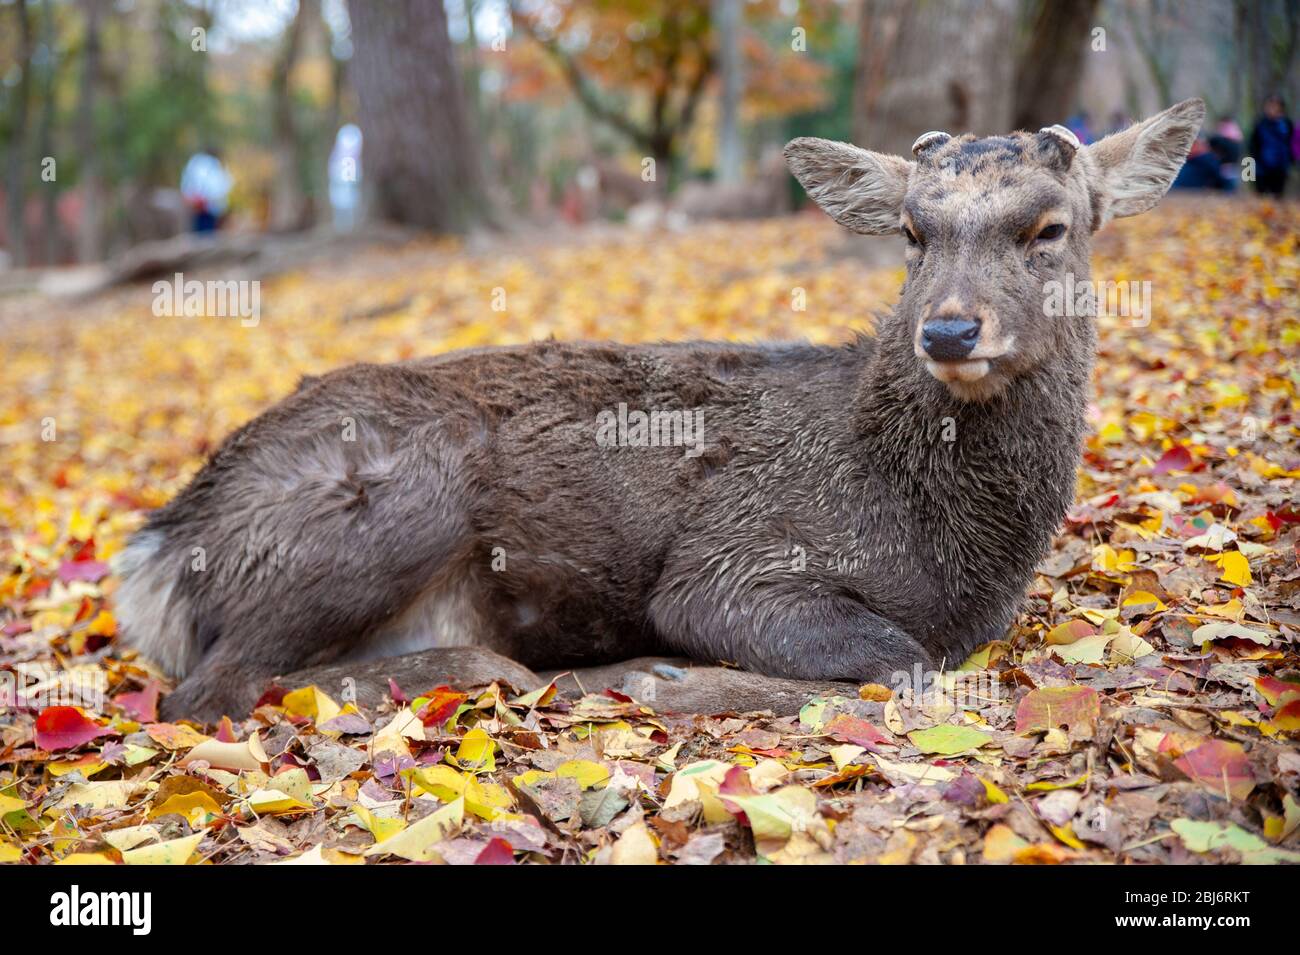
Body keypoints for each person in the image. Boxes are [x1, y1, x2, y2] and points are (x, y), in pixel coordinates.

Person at [1248, 95, 1294, 196]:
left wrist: (1291, 159)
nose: (1272, 109)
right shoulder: (1260, 124)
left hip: (1281, 165)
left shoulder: (1287, 124)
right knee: (1261, 194)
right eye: (1270, 106)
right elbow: (1252, 144)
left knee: (1277, 194)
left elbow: (1292, 143)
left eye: (1275, 106)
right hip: (1262, 165)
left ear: (1281, 108)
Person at [180, 148, 233, 234]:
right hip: (202, 208)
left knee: (205, 233)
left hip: (208, 209)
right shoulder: (204, 164)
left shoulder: (202, 164)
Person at [327, 124, 364, 231]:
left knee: (349, 203)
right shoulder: (341, 158)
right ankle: (342, 228)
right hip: (340, 187)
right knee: (341, 203)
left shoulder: (350, 160)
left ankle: (349, 227)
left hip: (348, 188)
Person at [1209, 115, 1243, 192]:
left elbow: (1213, 142)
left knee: (1226, 192)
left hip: (1226, 170)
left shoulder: (1222, 138)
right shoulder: (1237, 136)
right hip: (1231, 171)